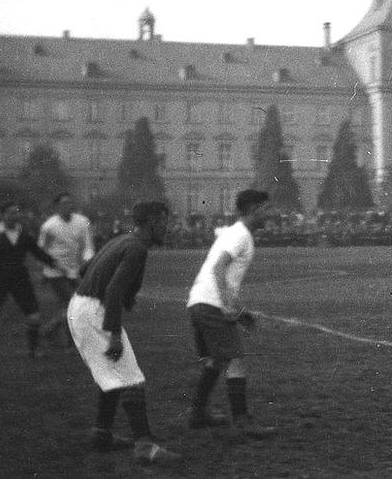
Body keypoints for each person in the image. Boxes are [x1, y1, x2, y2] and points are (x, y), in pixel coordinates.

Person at [67, 201, 180, 464]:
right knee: (131, 377)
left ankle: (102, 434)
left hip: (81, 306)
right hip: (95, 310)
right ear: (151, 221)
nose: (167, 226)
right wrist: (114, 333)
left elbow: (85, 271)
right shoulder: (137, 248)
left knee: (114, 374)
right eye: (164, 220)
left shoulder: (122, 240)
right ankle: (145, 446)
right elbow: (113, 291)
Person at [186, 189, 276, 439]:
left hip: (199, 302)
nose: (270, 214)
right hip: (212, 304)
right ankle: (242, 421)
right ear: (253, 209)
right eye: (266, 208)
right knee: (235, 360)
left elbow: (224, 275)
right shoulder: (241, 235)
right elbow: (218, 268)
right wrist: (227, 305)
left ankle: (197, 414)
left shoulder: (236, 233)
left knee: (215, 360)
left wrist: (239, 311)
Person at [0, 201, 60, 361]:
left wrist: (56, 263)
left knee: (34, 317)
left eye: (16, 212)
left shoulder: (24, 236)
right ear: (2, 215)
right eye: (10, 212)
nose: (14, 215)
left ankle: (33, 350)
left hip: (20, 280)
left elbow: (38, 253)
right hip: (0, 280)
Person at [38, 192, 95, 348]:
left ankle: (53, 330)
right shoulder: (49, 226)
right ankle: (63, 337)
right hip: (55, 272)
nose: (68, 206)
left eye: (70, 203)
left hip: (75, 270)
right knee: (73, 304)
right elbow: (41, 251)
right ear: (57, 207)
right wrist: (48, 268)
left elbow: (88, 246)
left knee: (79, 305)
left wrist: (88, 262)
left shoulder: (83, 222)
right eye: (64, 204)